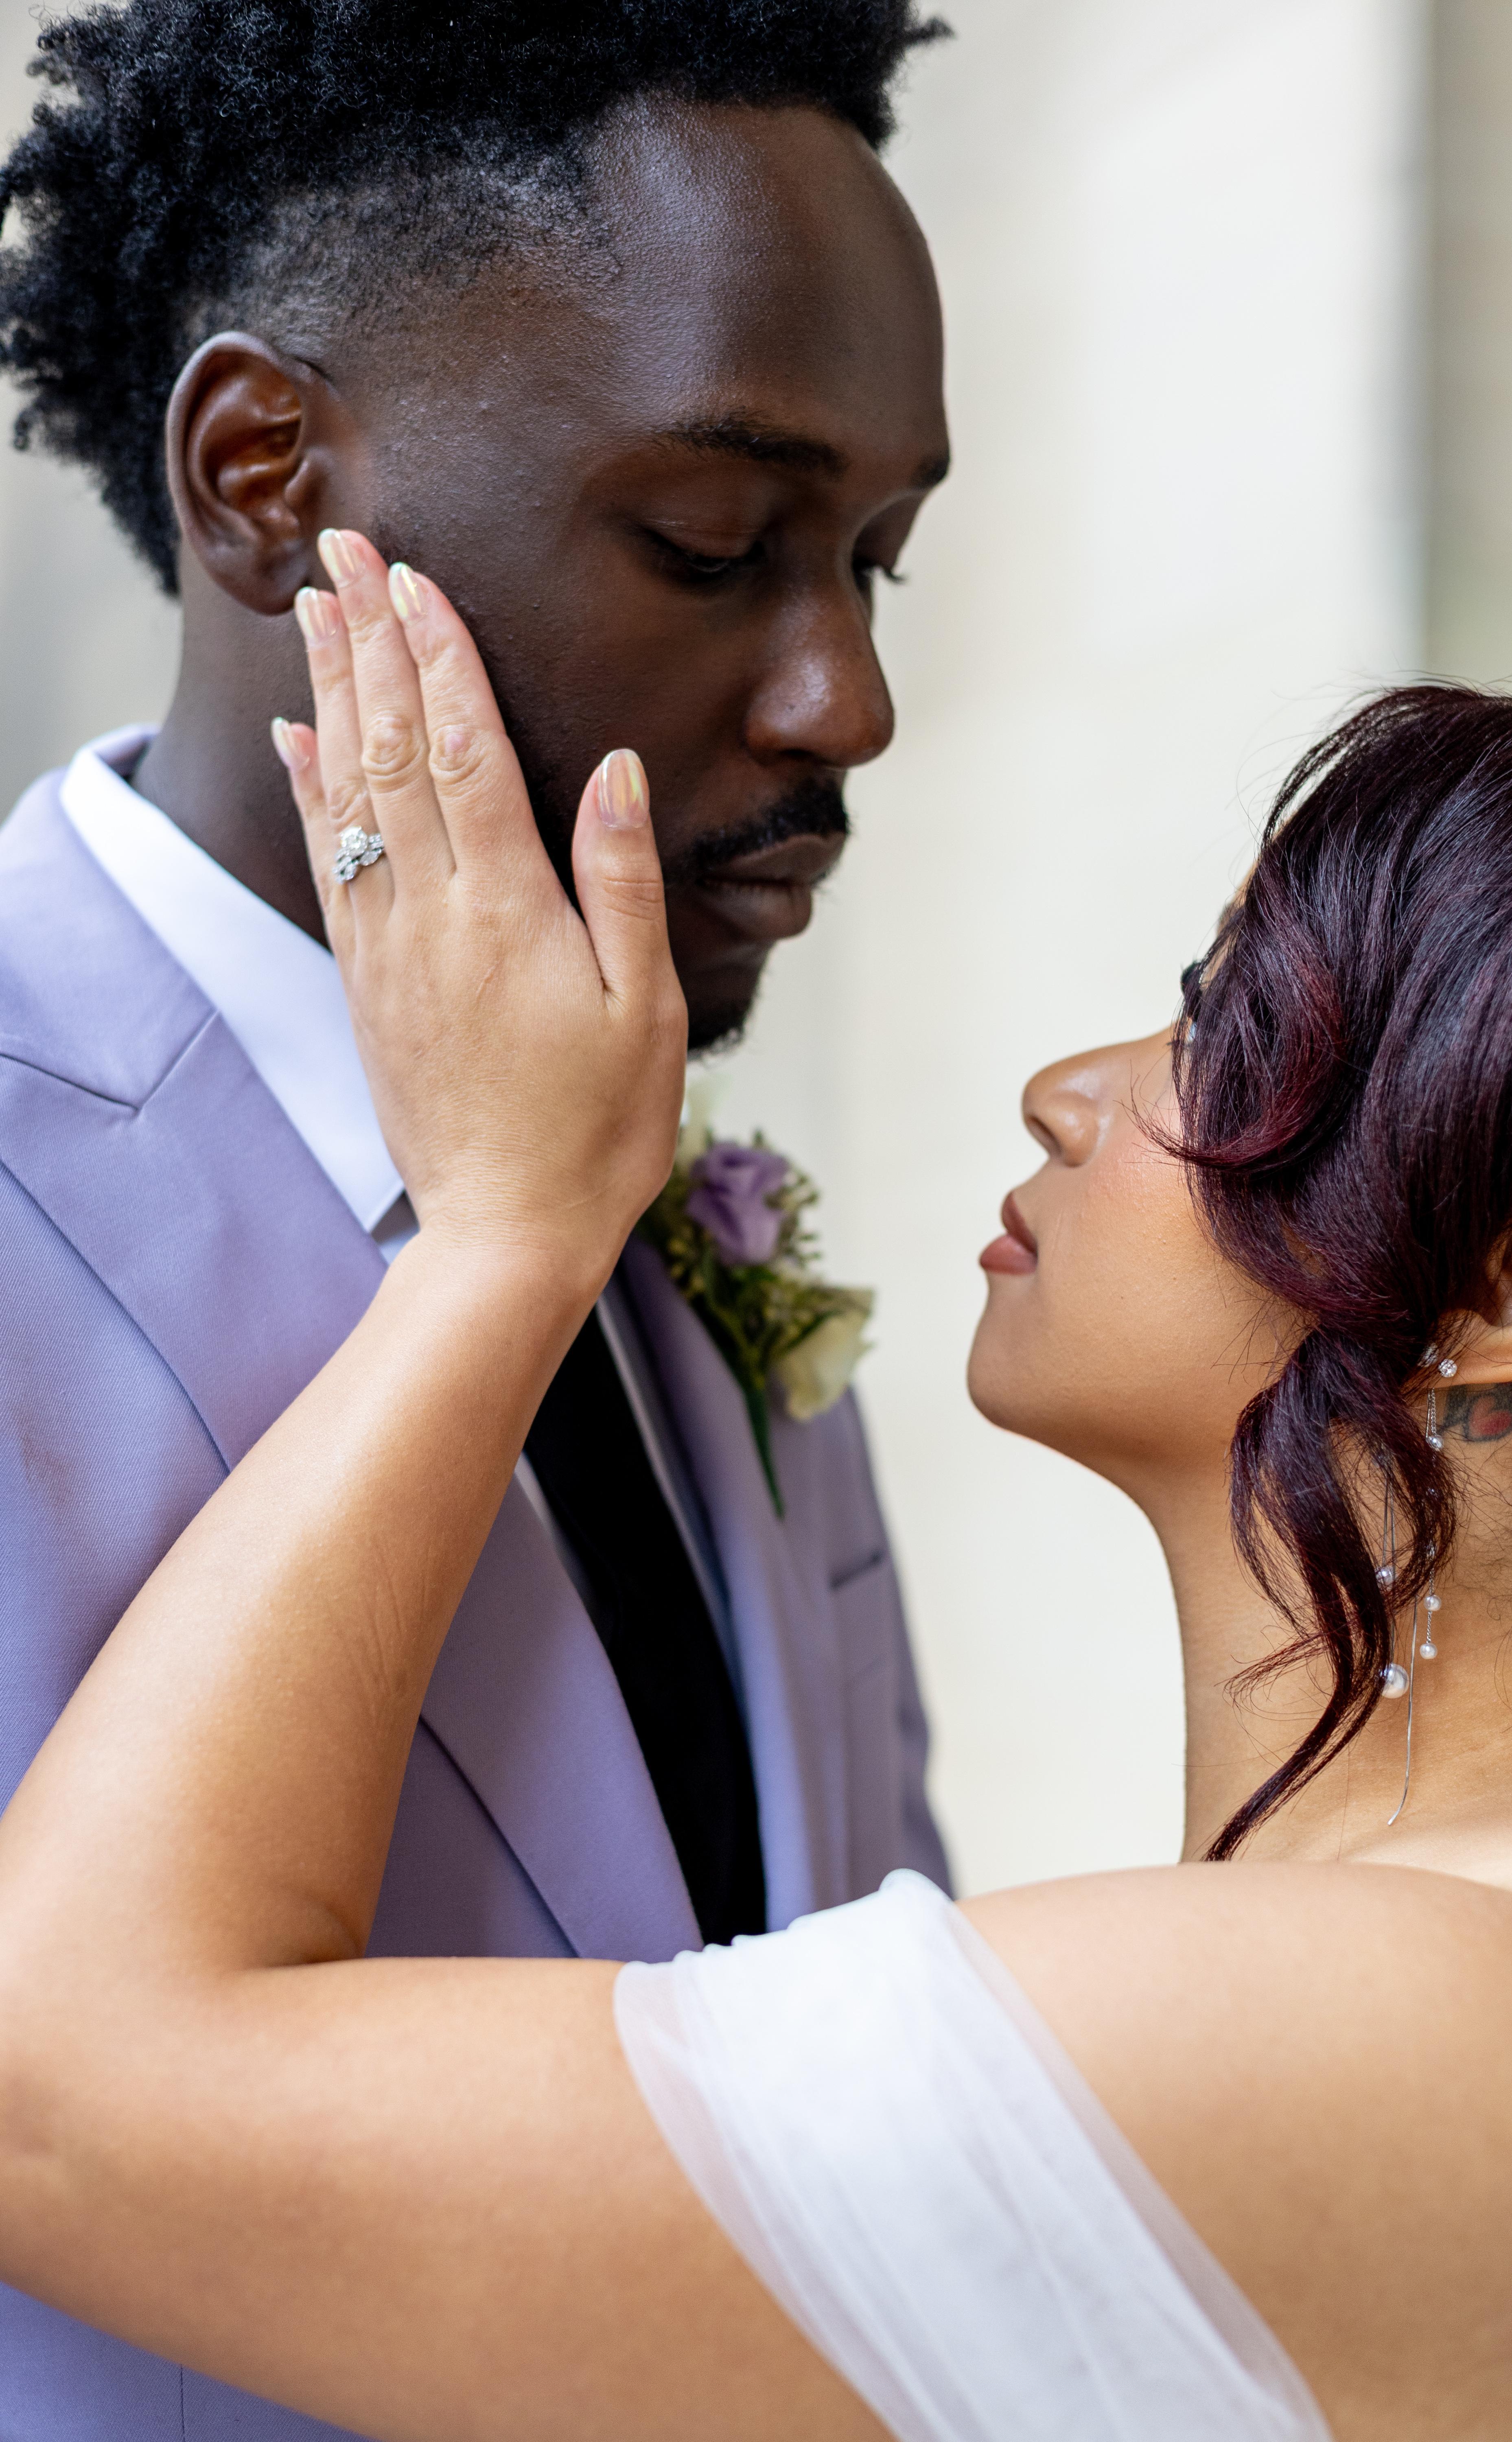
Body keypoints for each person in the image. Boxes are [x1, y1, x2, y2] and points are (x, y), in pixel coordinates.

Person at [4, 544, 1512, 2442]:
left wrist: (505, 1241)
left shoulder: (1419, 2016)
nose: (1067, 1091)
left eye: (1225, 1033)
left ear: (1510, 1286)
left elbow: (59, 2099)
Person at [0, 5, 953, 2427]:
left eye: (877, 561)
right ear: (263, 477)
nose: (846, 701)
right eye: (715, 544)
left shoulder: (671, 1201)